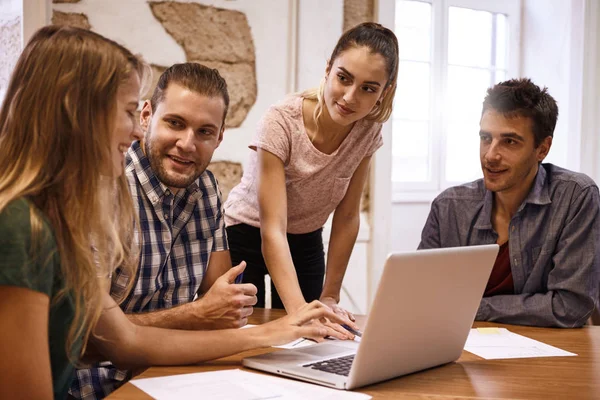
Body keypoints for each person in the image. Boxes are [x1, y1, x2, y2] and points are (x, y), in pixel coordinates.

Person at [0, 25, 352, 400]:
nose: (135, 129)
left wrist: (278, 330)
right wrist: (220, 319)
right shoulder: (22, 227)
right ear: (79, 114)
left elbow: (125, 337)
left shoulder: (60, 215)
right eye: (128, 111)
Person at [69, 62, 262, 399]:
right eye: (175, 123)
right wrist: (197, 314)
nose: (187, 143)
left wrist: (223, 308)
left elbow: (220, 303)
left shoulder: (206, 188)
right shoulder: (103, 190)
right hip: (99, 385)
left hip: (177, 374)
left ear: (219, 137)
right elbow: (86, 340)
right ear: (146, 116)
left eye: (204, 132)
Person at [224, 22, 398, 336]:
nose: (349, 97)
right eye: (343, 78)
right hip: (248, 232)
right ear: (328, 69)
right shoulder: (280, 121)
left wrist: (329, 296)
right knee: (249, 334)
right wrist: (298, 312)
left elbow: (347, 217)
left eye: (368, 88)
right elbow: (272, 228)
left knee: (313, 337)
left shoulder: (368, 131)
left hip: (305, 238)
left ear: (384, 92)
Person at [419, 78, 600, 328]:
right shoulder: (449, 207)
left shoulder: (575, 197)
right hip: (462, 348)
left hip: (551, 354)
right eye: (485, 138)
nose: (490, 155)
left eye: (510, 141)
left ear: (542, 149)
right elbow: (422, 297)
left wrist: (476, 307)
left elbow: (570, 306)